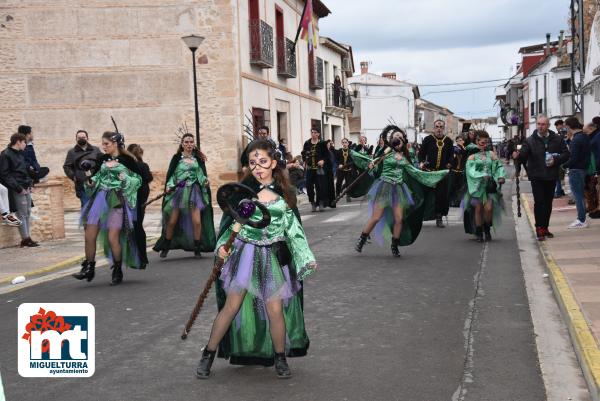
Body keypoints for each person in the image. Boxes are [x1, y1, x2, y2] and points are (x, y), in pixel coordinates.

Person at [196, 139, 317, 379]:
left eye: (262, 161)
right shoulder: (242, 193)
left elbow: (293, 231)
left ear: (273, 163)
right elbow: (230, 226)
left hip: (270, 256)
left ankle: (280, 357)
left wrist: (306, 258)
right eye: (253, 163)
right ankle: (208, 353)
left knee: (274, 309)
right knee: (231, 306)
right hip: (244, 254)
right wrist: (222, 247)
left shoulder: (285, 195)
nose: (258, 167)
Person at [352, 126, 448, 257]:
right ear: (391, 140)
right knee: (376, 217)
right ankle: (362, 239)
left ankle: (395, 245)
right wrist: (370, 166)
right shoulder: (384, 153)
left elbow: (415, 172)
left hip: (398, 189)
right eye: (396, 138)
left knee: (399, 219)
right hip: (384, 188)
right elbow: (374, 167)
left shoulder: (404, 157)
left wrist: (436, 175)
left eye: (401, 138)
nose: (398, 140)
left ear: (403, 142)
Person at [73, 131, 142, 285]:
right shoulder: (102, 159)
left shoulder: (127, 160)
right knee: (89, 235)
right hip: (100, 199)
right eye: (102, 144)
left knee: (113, 237)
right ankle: (89, 267)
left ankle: (117, 270)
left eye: (106, 144)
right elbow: (97, 178)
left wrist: (127, 179)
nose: (103, 147)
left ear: (115, 144)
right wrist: (90, 181)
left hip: (116, 199)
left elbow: (138, 180)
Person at [153, 134, 216, 258]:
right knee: (172, 221)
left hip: (194, 192)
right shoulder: (176, 158)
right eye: (186, 142)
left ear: (194, 144)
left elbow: (201, 174)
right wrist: (170, 186)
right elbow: (172, 175)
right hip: (179, 192)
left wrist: (205, 181)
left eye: (191, 142)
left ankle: (197, 247)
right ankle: (166, 245)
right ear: (182, 144)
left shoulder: (197, 159)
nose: (189, 144)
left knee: (197, 222)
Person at [513, 115, 570, 240]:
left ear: (548, 125)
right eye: (538, 124)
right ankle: (539, 228)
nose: (540, 126)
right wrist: (517, 156)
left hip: (551, 176)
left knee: (548, 203)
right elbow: (523, 156)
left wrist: (556, 160)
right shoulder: (529, 141)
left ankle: (545, 227)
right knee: (539, 202)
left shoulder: (557, 139)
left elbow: (566, 154)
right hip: (536, 176)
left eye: (543, 124)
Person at [462, 131, 506, 242]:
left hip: (489, 187)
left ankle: (486, 230)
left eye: (486, 142)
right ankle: (479, 232)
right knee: (478, 209)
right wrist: (481, 175)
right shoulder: (471, 156)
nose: (484, 144)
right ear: (476, 141)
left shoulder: (491, 154)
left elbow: (499, 166)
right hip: (476, 187)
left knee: (488, 208)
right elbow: (470, 171)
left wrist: (501, 176)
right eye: (481, 142)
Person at [0, 133, 35, 246]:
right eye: (24, 142)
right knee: (22, 214)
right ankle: (25, 239)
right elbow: (5, 174)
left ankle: (28, 238)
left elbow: (25, 171)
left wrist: (30, 184)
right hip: (17, 188)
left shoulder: (21, 154)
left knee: (28, 212)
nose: (25, 144)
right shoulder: (5, 154)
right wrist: (18, 188)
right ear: (18, 141)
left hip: (25, 187)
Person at [418, 119, 454, 227]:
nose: (439, 129)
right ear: (434, 128)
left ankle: (439, 218)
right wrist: (422, 162)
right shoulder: (428, 139)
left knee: (441, 196)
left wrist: (449, 164)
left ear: (444, 128)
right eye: (437, 127)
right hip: (429, 172)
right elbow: (421, 154)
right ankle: (420, 216)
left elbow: (451, 156)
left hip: (441, 173)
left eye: (441, 127)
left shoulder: (448, 141)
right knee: (424, 194)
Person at [127, 144, 153, 268]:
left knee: (132, 228)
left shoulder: (127, 166)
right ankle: (142, 257)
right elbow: (148, 179)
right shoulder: (143, 166)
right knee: (138, 227)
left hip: (132, 201)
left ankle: (136, 256)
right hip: (140, 201)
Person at [64, 130, 103, 207]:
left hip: (97, 184)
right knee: (86, 208)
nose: (81, 139)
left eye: (83, 137)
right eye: (79, 137)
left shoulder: (95, 150)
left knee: (98, 207)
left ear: (87, 138)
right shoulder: (72, 152)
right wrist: (74, 177)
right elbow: (67, 166)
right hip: (82, 185)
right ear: (76, 139)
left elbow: (102, 163)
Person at [564, 117, 591, 229]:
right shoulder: (585, 137)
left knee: (578, 196)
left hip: (575, 170)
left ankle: (581, 219)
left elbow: (573, 158)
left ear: (569, 126)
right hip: (583, 169)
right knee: (581, 195)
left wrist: (564, 165)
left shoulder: (576, 140)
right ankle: (582, 218)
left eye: (566, 127)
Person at [302, 128, 328, 212]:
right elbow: (303, 153)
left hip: (319, 169)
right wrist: (304, 161)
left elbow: (327, 155)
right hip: (310, 168)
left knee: (319, 186)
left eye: (315, 132)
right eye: (312, 132)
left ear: (318, 134)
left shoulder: (322, 144)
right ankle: (312, 202)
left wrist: (323, 160)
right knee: (309, 186)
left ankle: (320, 203)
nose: (313, 134)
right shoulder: (307, 143)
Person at [449, 135, 468, 208]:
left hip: (461, 171)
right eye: (458, 140)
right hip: (454, 171)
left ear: (464, 141)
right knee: (452, 187)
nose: (460, 141)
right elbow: (458, 152)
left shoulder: (465, 149)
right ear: (456, 141)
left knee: (460, 188)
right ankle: (451, 202)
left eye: (461, 140)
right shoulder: (455, 148)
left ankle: (458, 202)